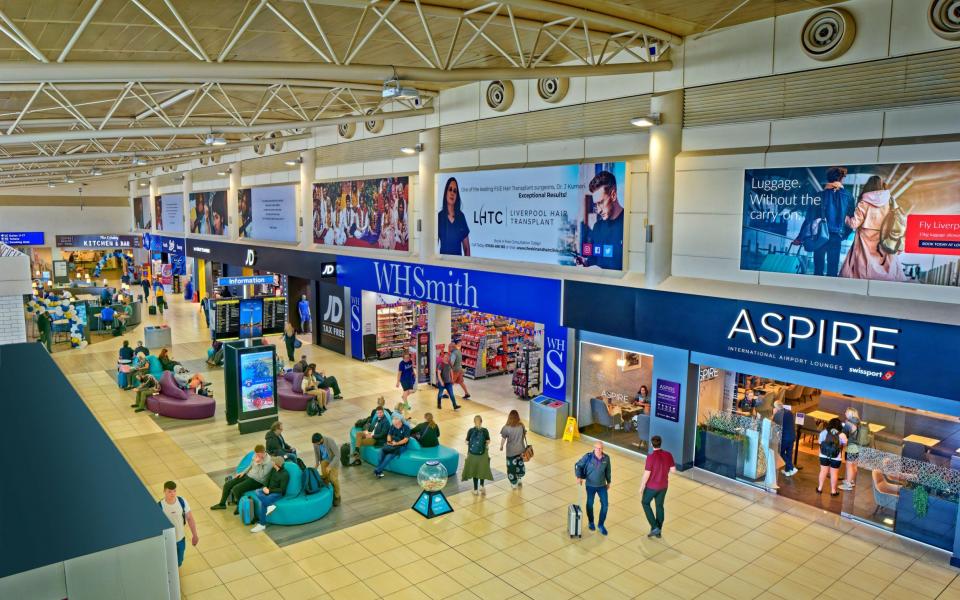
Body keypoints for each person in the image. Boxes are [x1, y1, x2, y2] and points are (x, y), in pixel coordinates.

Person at [839, 176, 906, 281]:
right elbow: (899, 220)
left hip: (864, 242)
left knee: (863, 268)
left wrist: (845, 217)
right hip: (885, 240)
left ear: (868, 186)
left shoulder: (863, 202)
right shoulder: (891, 202)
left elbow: (854, 224)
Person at [796, 166, 854, 277]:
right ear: (841, 179)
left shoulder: (819, 196)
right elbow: (851, 220)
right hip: (837, 235)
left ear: (828, 179)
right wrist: (843, 235)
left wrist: (800, 237)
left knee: (818, 268)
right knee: (833, 269)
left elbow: (809, 218)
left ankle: (816, 291)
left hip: (820, 235)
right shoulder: (848, 196)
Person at [578, 170, 624, 270]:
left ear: (613, 195)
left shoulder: (627, 224)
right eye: (596, 204)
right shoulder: (597, 227)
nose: (598, 210)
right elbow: (593, 259)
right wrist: (585, 263)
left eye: (601, 202)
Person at [210, 445, 273, 511]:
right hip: (248, 475)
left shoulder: (268, 462)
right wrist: (243, 473)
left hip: (257, 481)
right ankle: (222, 504)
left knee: (236, 489)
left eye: (258, 454)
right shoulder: (255, 455)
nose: (256, 456)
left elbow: (261, 476)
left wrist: (259, 463)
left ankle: (240, 507)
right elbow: (250, 465)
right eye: (256, 454)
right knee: (227, 484)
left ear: (263, 453)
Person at [640, 435, 676, 538]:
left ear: (652, 444)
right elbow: (673, 470)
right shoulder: (668, 455)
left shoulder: (650, 457)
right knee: (659, 506)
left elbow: (646, 474)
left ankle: (655, 527)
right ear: (661, 443)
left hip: (651, 487)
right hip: (663, 486)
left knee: (645, 503)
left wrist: (642, 486)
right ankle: (658, 531)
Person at [575, 441, 612, 535]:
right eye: (598, 448)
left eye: (601, 448)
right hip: (590, 485)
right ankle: (591, 522)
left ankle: (601, 524)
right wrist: (578, 477)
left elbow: (608, 471)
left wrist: (609, 482)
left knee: (605, 505)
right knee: (590, 503)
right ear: (594, 448)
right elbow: (578, 465)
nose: (599, 450)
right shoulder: (588, 457)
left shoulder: (606, 458)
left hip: (602, 486)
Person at [158, 481, 198, 567]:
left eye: (174, 491)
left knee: (179, 562)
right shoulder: (160, 506)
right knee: (169, 563)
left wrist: (195, 535)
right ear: (164, 491)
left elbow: (190, 518)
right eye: (169, 491)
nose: (172, 494)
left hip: (180, 539)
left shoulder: (182, 501)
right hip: (167, 541)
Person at [251, 457, 289, 533]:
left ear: (276, 464)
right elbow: (267, 480)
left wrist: (270, 491)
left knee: (263, 503)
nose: (272, 462)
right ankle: (269, 505)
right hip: (268, 490)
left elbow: (282, 489)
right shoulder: (273, 470)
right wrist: (265, 487)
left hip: (277, 493)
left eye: (273, 462)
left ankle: (262, 524)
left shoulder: (285, 474)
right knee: (257, 491)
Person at [438, 176, 470, 256]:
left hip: (458, 264)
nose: (452, 193)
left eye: (455, 191)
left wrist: (466, 267)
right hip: (442, 264)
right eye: (450, 189)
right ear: (446, 193)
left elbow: (466, 248)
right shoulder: (439, 217)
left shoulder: (461, 217)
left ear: (457, 196)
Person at [462, 415, 493, 495]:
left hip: (473, 454)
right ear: (481, 422)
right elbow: (488, 441)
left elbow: (466, 442)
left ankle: (475, 490)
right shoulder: (485, 431)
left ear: (474, 422)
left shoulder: (471, 431)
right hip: (482, 454)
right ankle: (482, 487)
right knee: (482, 470)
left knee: (475, 471)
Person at [373, 414, 411, 478]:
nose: (394, 422)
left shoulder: (406, 428)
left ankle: (377, 470)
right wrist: (389, 442)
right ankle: (379, 471)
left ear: (400, 421)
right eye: (394, 421)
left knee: (389, 456)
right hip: (391, 444)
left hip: (401, 446)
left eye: (396, 421)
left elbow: (405, 440)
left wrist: (397, 443)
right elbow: (389, 435)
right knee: (380, 453)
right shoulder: (393, 426)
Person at [817, 418, 847, 497]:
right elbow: (844, 444)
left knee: (823, 471)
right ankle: (833, 491)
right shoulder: (842, 434)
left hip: (823, 455)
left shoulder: (824, 432)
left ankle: (820, 488)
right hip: (836, 457)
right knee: (834, 473)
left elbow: (820, 443)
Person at [500, 410, 527, 489]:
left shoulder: (506, 428)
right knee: (519, 464)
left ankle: (513, 483)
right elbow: (524, 435)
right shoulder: (521, 426)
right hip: (521, 449)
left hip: (511, 452)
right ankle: (519, 479)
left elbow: (503, 438)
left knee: (511, 467)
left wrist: (501, 446)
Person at [312, 432, 341, 505]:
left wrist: (330, 466)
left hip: (333, 461)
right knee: (325, 476)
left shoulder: (329, 441)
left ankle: (337, 496)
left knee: (333, 479)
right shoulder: (316, 443)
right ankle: (328, 491)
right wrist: (316, 463)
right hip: (324, 460)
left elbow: (337, 455)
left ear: (321, 439)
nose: (315, 445)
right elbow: (316, 453)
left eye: (317, 443)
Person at [841, 408, 865, 491]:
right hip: (858, 446)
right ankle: (851, 481)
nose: (845, 413)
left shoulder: (848, 423)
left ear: (850, 414)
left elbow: (843, 435)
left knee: (849, 465)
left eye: (846, 412)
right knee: (854, 465)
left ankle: (848, 484)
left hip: (851, 446)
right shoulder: (859, 422)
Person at [773, 400, 797, 477]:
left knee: (781, 453)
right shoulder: (789, 412)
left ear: (776, 407)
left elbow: (774, 425)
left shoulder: (778, 414)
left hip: (785, 438)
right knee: (789, 454)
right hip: (792, 436)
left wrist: (774, 414)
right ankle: (788, 471)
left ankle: (792, 468)